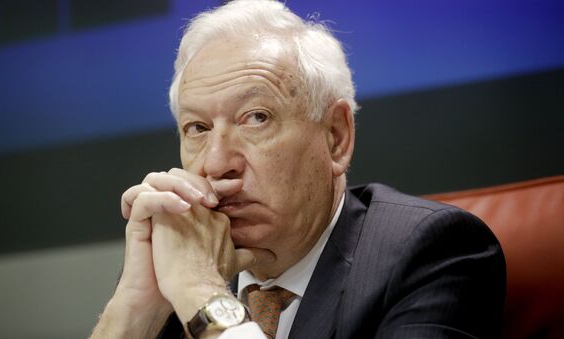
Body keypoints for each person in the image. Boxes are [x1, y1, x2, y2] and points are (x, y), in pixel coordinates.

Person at [90, 1, 506, 338]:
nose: (216, 164)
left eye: (256, 118)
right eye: (197, 128)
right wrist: (133, 308)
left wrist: (201, 293)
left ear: (336, 137)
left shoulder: (433, 253)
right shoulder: (174, 263)